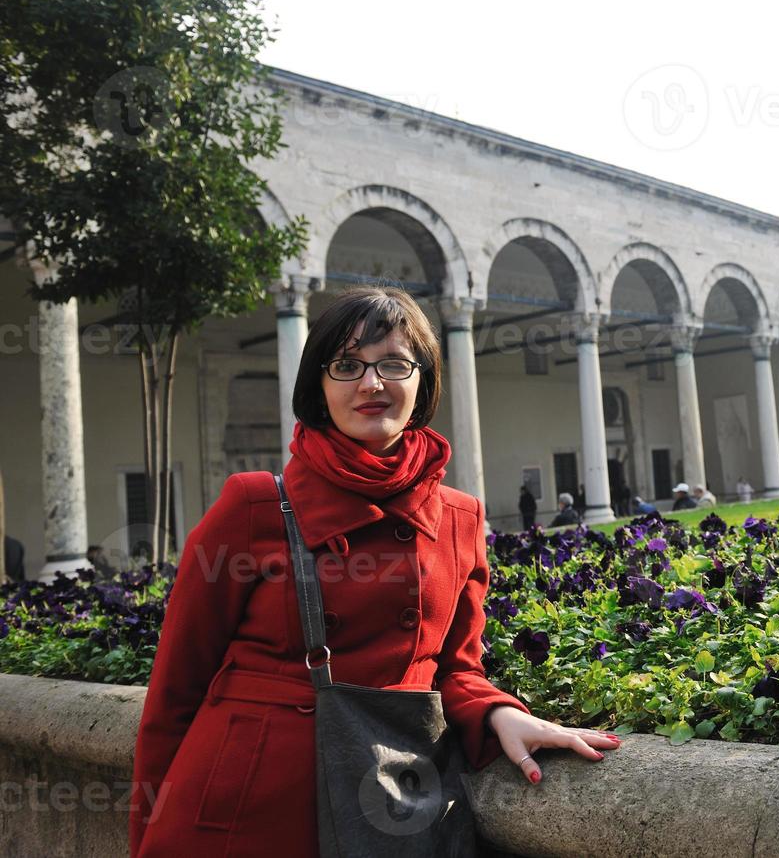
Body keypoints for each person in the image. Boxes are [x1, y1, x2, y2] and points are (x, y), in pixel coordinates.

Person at [128, 286, 620, 857]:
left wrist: (499, 712)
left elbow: (454, 669)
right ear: (318, 384)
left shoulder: (460, 517)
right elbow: (173, 694)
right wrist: (148, 835)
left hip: (386, 800)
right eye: (346, 365)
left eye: (393, 363)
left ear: (423, 380)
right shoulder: (253, 506)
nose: (371, 383)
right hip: (244, 805)